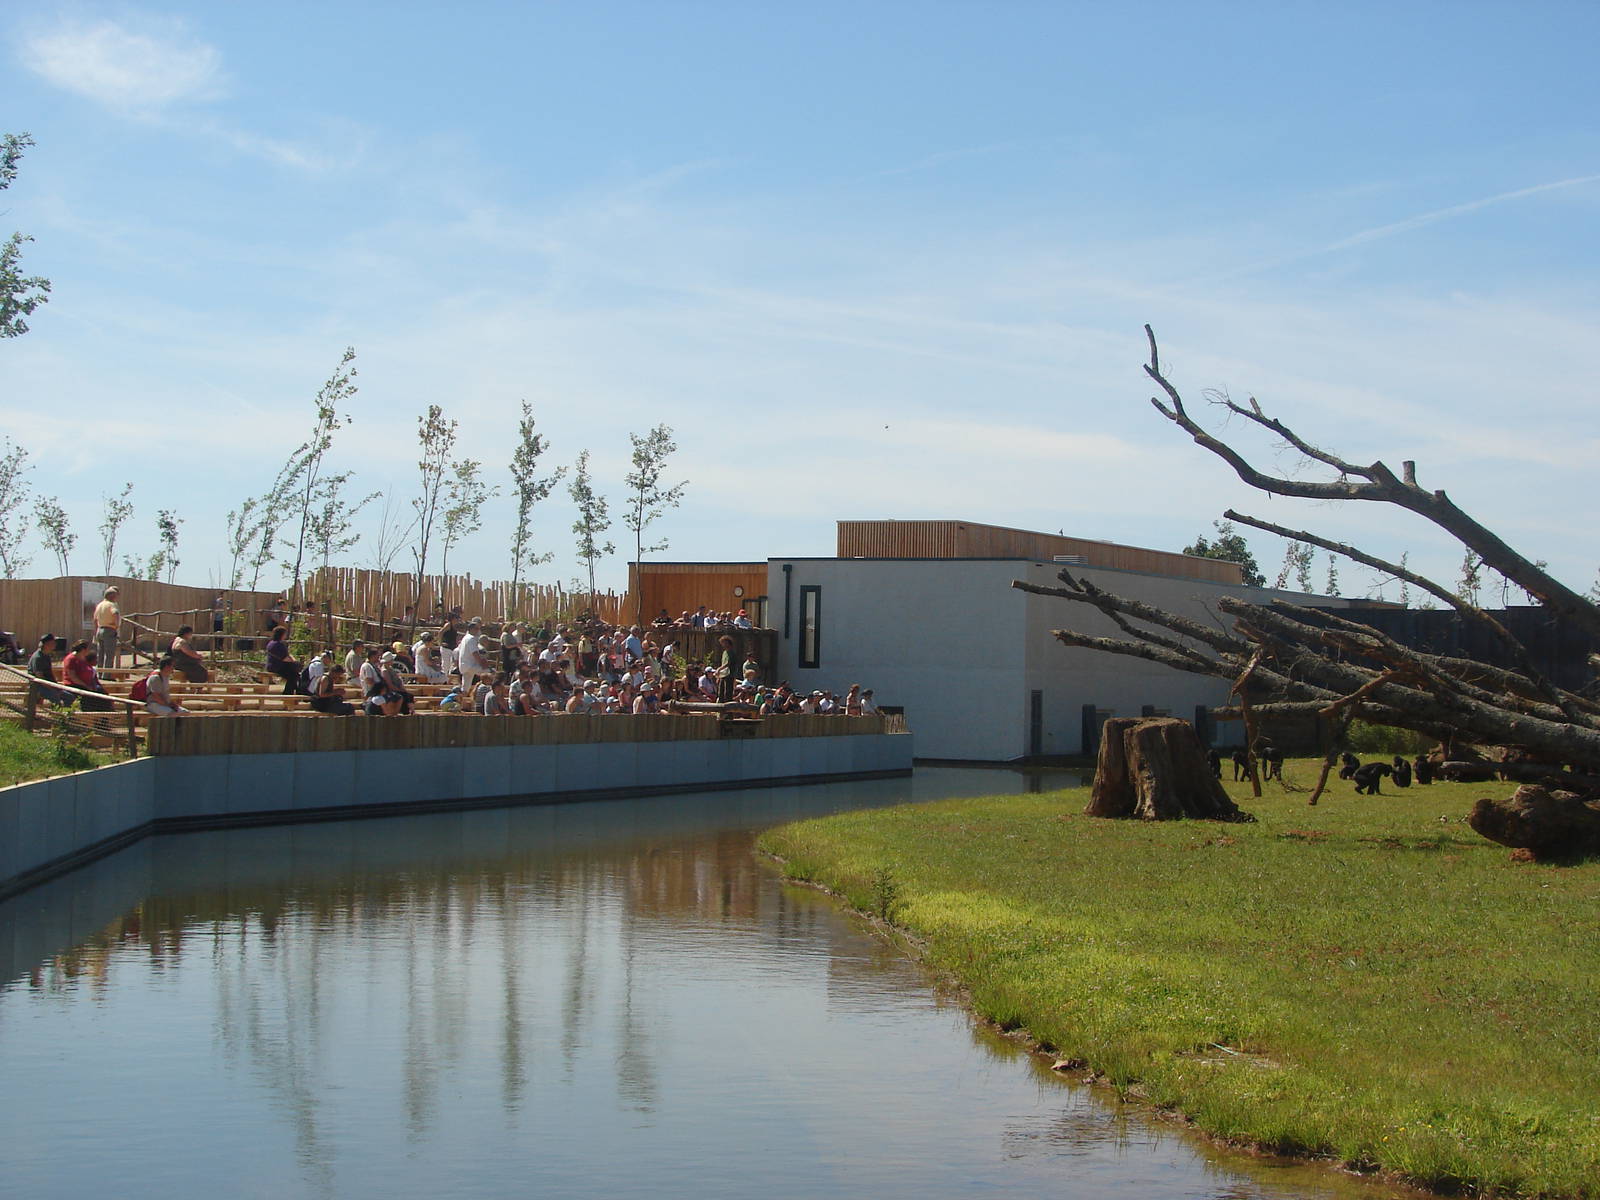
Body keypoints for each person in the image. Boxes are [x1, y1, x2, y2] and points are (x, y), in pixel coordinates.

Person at [61, 641, 114, 711]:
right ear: (83, 650)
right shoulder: (71, 659)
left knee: (103, 695)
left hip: (87, 686)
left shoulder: (83, 658)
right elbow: (73, 677)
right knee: (92, 699)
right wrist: (86, 686)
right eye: (87, 649)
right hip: (74, 686)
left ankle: (106, 716)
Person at [28, 634, 64, 705]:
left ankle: (66, 713)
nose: (55, 644)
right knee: (55, 696)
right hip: (38, 686)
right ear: (47, 644)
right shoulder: (38, 658)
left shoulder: (46, 655)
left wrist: (56, 686)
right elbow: (40, 677)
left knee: (69, 697)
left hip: (49, 685)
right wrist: (52, 688)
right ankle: (57, 714)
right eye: (53, 642)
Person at [458, 618, 490, 696]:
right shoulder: (471, 639)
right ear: (471, 629)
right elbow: (475, 653)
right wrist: (482, 664)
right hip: (471, 665)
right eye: (476, 629)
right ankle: (489, 693)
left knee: (465, 687)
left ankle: (461, 701)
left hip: (464, 665)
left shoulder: (465, 638)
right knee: (490, 674)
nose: (478, 630)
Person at [265, 626, 300, 694]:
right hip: (276, 667)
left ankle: (293, 690)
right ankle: (288, 693)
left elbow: (288, 655)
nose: (286, 635)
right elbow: (285, 658)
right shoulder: (276, 645)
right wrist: (294, 662)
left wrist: (294, 660)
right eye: (285, 634)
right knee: (293, 676)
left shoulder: (274, 643)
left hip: (278, 666)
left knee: (294, 673)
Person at [92, 586, 121, 668]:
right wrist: (116, 625)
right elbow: (115, 613)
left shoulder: (100, 605)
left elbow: (95, 619)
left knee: (100, 653)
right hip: (109, 630)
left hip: (100, 629)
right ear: (112, 596)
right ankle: (107, 674)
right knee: (109, 654)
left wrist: (95, 631)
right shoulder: (111, 604)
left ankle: (99, 672)